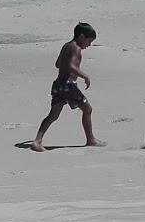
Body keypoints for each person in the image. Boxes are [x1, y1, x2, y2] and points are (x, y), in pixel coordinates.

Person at [31, 22, 103, 152]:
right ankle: (90, 139)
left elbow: (58, 64)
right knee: (87, 109)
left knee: (53, 115)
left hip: (58, 85)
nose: (89, 45)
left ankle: (37, 141)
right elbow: (71, 66)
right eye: (89, 41)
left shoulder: (66, 46)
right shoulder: (76, 48)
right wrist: (84, 76)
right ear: (81, 37)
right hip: (68, 86)